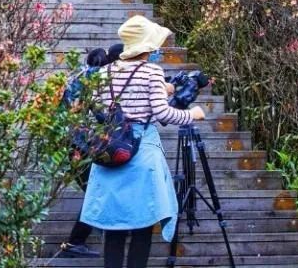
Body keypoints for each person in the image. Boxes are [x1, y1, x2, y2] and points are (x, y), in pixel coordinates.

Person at [80, 15, 206, 268]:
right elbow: (162, 114)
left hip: (110, 150)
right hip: (141, 152)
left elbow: (96, 108)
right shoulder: (151, 71)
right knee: (142, 225)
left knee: (114, 227)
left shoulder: (104, 71)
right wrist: (192, 114)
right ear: (148, 45)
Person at [55, 42, 125, 259]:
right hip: (79, 143)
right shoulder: (97, 78)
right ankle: (75, 242)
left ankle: (79, 240)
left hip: (69, 140)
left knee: (97, 190)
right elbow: (100, 114)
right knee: (97, 191)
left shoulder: (84, 74)